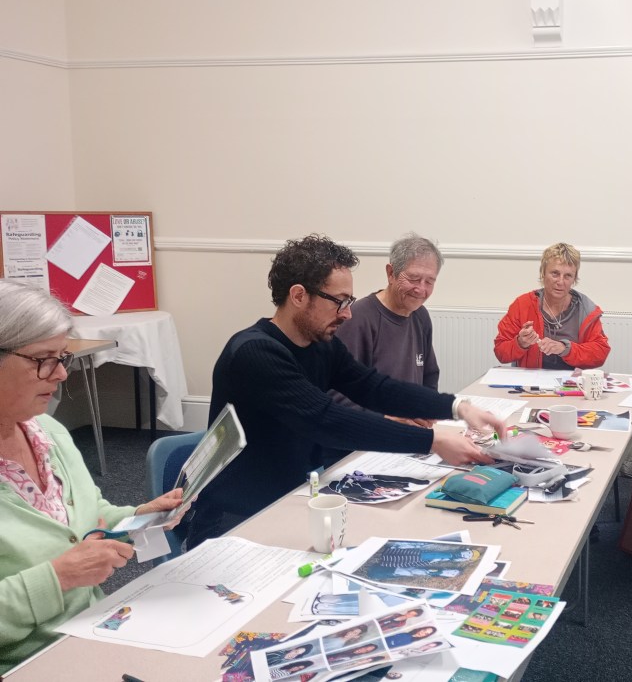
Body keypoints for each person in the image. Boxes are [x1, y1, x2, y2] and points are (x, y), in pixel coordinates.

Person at [188, 235, 505, 546]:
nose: (347, 313)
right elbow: (325, 420)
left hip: (291, 499)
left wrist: (456, 407)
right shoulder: (254, 354)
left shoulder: (319, 343)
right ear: (299, 296)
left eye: (349, 301)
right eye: (340, 301)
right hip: (234, 520)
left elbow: (373, 387)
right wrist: (432, 440)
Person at [0, 280, 184, 673]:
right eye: (44, 359)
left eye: (62, 356)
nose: (62, 374)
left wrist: (141, 516)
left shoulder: (47, 432)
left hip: (92, 633)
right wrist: (58, 578)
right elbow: (67, 563)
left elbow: (90, 517)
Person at [334, 234, 443, 427]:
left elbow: (429, 375)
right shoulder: (358, 318)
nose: (421, 289)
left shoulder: (421, 316)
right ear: (390, 273)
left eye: (429, 282)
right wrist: (387, 421)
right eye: (414, 278)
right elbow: (337, 394)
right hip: (370, 432)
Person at [494, 242, 610, 369]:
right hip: (530, 383)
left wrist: (565, 349)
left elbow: (600, 353)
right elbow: (500, 352)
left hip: (572, 384)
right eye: (555, 273)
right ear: (543, 274)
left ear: (574, 279)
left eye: (568, 276)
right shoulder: (522, 305)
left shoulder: (586, 309)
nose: (560, 282)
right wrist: (521, 343)